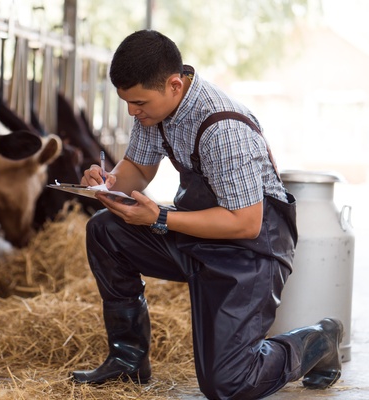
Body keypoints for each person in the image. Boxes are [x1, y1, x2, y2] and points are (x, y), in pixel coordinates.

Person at [71, 29, 343, 400]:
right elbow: (138, 167)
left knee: (228, 385)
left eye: (138, 102)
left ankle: (317, 341)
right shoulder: (157, 112)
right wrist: (107, 183)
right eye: (127, 103)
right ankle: (128, 361)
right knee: (106, 230)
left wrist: (160, 219)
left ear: (173, 85)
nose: (132, 112)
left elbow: (246, 223)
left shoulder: (223, 127)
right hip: (200, 233)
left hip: (251, 252)